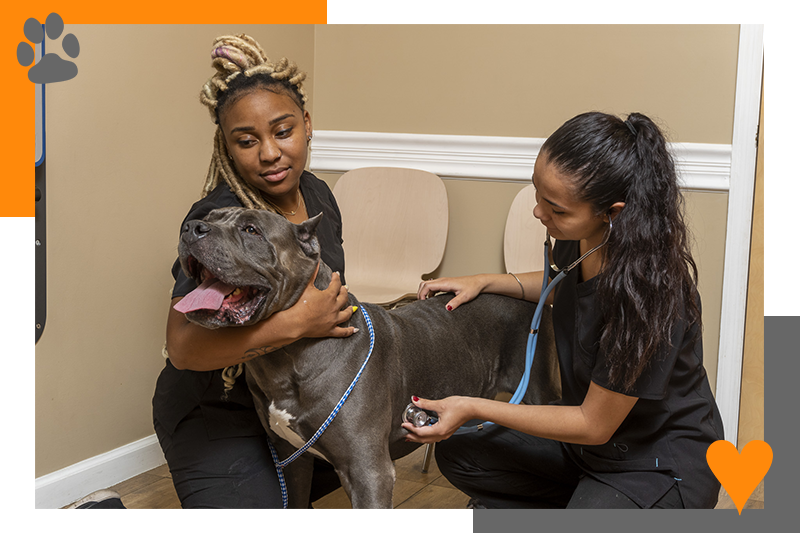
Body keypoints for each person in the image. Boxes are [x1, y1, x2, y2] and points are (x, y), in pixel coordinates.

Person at [407, 112, 724, 509]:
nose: (539, 213)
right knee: (462, 451)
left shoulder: (652, 292)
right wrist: (486, 280)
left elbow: (593, 424)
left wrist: (472, 404)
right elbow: (566, 285)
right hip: (590, 450)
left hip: (656, 463)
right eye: (537, 194)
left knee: (482, 428)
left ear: (614, 212)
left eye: (556, 209)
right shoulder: (585, 239)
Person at [152, 34, 356, 509]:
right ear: (226, 145)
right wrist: (297, 323)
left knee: (386, 438)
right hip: (221, 410)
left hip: (291, 396)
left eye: (282, 131)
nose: (269, 153)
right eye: (246, 141)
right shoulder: (218, 217)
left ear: (306, 124)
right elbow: (183, 348)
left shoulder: (319, 194)